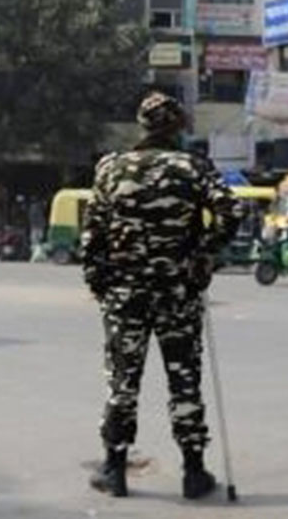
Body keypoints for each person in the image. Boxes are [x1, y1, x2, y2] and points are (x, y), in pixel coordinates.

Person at [81, 92, 240, 499]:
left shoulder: (112, 169)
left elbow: (93, 232)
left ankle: (114, 469)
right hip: (177, 292)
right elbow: (230, 211)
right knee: (184, 380)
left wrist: (100, 282)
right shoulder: (193, 167)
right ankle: (193, 471)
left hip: (125, 292)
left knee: (122, 381)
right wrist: (203, 257)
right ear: (176, 127)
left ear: (143, 125)